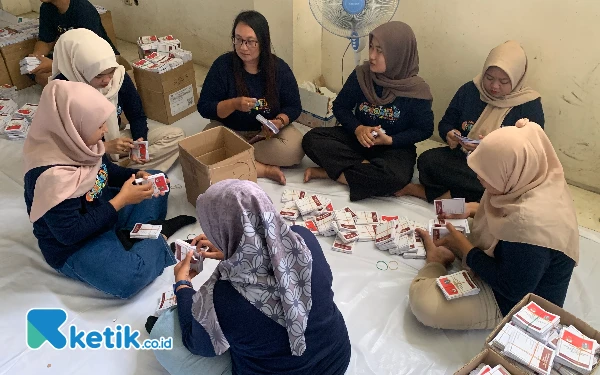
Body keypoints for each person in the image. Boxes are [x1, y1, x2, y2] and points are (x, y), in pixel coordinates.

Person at [148, 180, 351, 375]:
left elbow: (199, 346)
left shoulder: (224, 296)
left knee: (165, 332)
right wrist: (230, 250)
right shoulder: (303, 239)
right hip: (336, 361)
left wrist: (183, 285)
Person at [23, 80, 195, 299]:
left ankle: (138, 234)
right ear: (73, 126)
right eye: (99, 126)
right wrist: (121, 201)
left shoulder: (81, 142)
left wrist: (133, 177)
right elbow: (70, 234)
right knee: (130, 278)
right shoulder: (51, 177)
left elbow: (106, 171)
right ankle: (156, 236)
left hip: (103, 208)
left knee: (153, 177)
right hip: (77, 243)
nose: (105, 130)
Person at [408, 120, 579, 330]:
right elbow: (503, 214)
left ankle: (437, 259)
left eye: (486, 176)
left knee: (424, 304)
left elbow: (513, 289)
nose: (478, 179)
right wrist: (473, 209)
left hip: (517, 301)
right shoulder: (535, 177)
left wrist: (463, 246)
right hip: (514, 261)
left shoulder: (529, 224)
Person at [397, 40, 545, 203]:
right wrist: (450, 134)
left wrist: (491, 148)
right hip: (465, 158)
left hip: (499, 171)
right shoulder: (470, 90)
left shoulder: (529, 104)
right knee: (427, 162)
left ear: (518, 78)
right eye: (489, 78)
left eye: (504, 81)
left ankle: (440, 194)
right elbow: (446, 123)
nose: (494, 86)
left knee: (513, 189)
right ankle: (466, 198)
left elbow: (532, 152)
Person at [301, 21, 434, 201]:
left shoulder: (416, 90)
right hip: (358, 140)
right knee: (311, 139)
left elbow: (424, 129)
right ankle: (367, 172)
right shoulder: (361, 76)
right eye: (371, 47)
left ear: (398, 54)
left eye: (380, 50)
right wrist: (358, 128)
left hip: (393, 148)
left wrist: (391, 140)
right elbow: (340, 106)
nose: (371, 55)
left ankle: (331, 173)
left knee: (396, 177)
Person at [52, 28, 185, 172]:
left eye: (111, 72)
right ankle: (119, 173)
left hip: (115, 137)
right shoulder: (62, 91)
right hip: (86, 150)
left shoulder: (118, 77)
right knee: (65, 170)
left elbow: (136, 115)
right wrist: (105, 148)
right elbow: (65, 145)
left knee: (175, 136)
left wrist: (139, 143)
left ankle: (118, 173)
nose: (107, 80)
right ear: (79, 69)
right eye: (99, 76)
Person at [197, 10, 304, 186]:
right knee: (204, 145)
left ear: (263, 41)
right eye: (238, 39)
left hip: (265, 136)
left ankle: (232, 159)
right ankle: (262, 168)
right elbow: (204, 107)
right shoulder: (222, 66)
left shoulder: (279, 68)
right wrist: (233, 104)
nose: (243, 47)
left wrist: (279, 121)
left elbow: (294, 106)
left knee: (296, 148)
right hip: (230, 130)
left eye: (250, 42)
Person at [30, 0, 119, 87]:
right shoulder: (46, 8)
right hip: (71, 56)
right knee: (34, 71)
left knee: (53, 80)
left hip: (98, 60)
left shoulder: (83, 10)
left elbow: (90, 55)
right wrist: (36, 57)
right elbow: (46, 41)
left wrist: (54, 66)